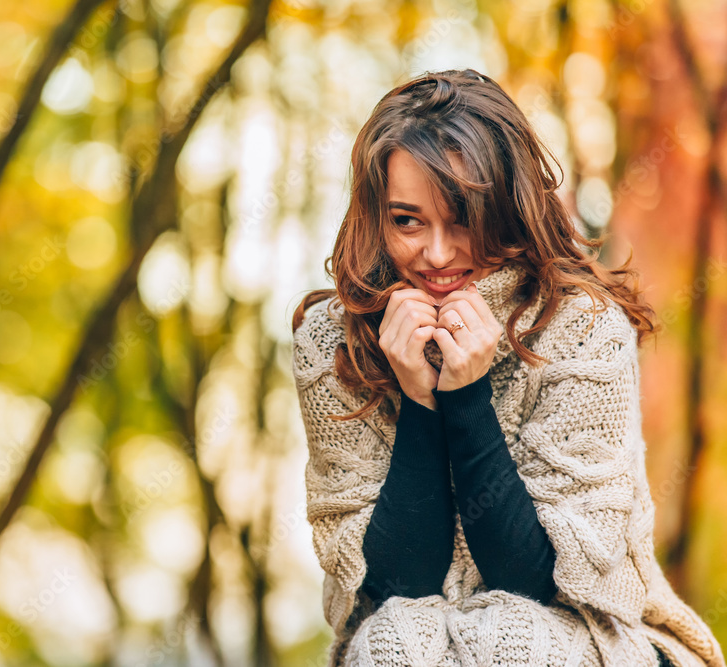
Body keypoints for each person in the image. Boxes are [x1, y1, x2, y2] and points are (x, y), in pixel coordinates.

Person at [290, 69, 725, 667]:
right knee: (390, 645)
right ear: (376, 216)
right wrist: (419, 397)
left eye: (463, 217)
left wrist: (466, 397)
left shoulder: (583, 328)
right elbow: (393, 586)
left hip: (588, 632)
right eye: (407, 220)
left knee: (509, 645)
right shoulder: (329, 341)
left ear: (508, 207)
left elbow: (541, 581)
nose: (437, 255)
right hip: (412, 633)